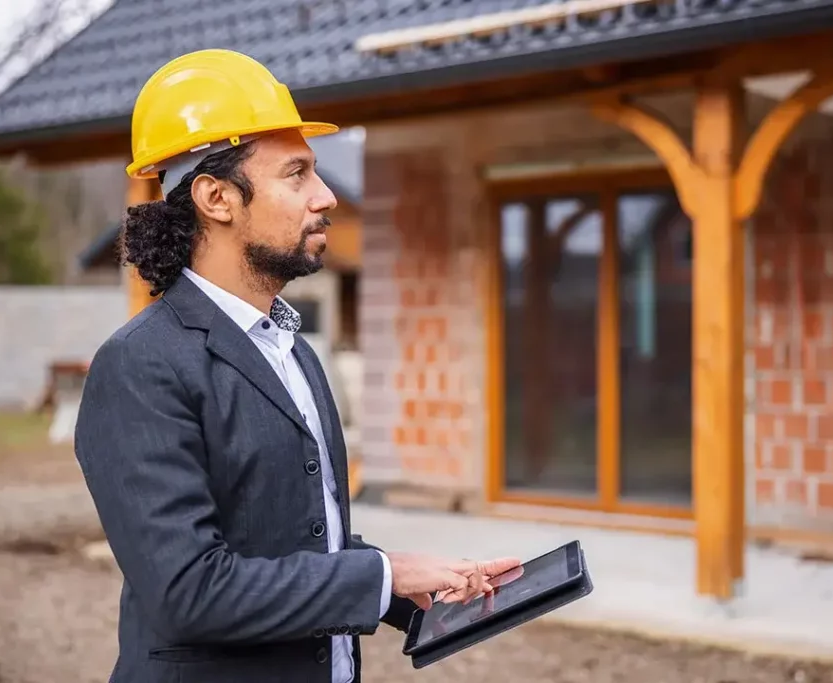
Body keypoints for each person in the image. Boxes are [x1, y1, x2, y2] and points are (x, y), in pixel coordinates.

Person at [73, 48, 520, 683]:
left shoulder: (293, 349)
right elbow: (188, 592)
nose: (326, 195)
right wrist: (381, 575)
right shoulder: (140, 365)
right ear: (217, 197)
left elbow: (290, 538)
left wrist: (415, 584)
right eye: (296, 174)